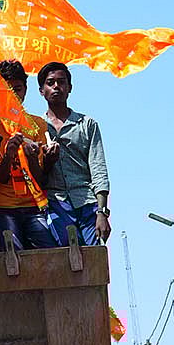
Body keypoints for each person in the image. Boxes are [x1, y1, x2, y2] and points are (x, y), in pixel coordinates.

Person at [37, 61, 110, 246]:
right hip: (55, 202)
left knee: (94, 258)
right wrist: (47, 161)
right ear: (41, 90)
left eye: (61, 82)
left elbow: (98, 169)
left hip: (87, 201)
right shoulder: (36, 127)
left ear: (69, 88)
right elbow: (35, 175)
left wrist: (102, 212)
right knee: (68, 256)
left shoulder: (87, 124)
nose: (56, 87)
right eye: (50, 82)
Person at [0, 61, 55, 251]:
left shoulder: (37, 124)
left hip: (34, 206)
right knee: (12, 255)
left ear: (25, 90)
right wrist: (9, 155)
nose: (13, 94)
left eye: (17, 88)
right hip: (3, 207)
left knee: (49, 254)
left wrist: (33, 158)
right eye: (7, 89)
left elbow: (41, 178)